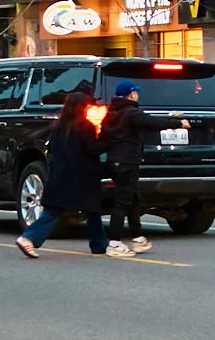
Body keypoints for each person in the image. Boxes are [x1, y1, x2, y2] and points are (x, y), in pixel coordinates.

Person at [16, 89, 127, 259]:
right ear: (81, 107)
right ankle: (29, 238)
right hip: (82, 176)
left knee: (62, 210)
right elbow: (92, 149)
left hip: (60, 174)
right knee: (89, 209)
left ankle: (99, 244)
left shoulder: (58, 127)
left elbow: (52, 150)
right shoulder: (85, 126)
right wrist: (108, 140)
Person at [100, 80, 185, 250]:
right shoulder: (131, 112)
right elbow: (152, 123)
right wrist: (178, 123)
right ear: (131, 94)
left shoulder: (112, 113)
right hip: (126, 161)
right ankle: (114, 241)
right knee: (123, 201)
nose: (137, 95)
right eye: (135, 92)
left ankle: (137, 237)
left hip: (115, 160)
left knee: (134, 199)